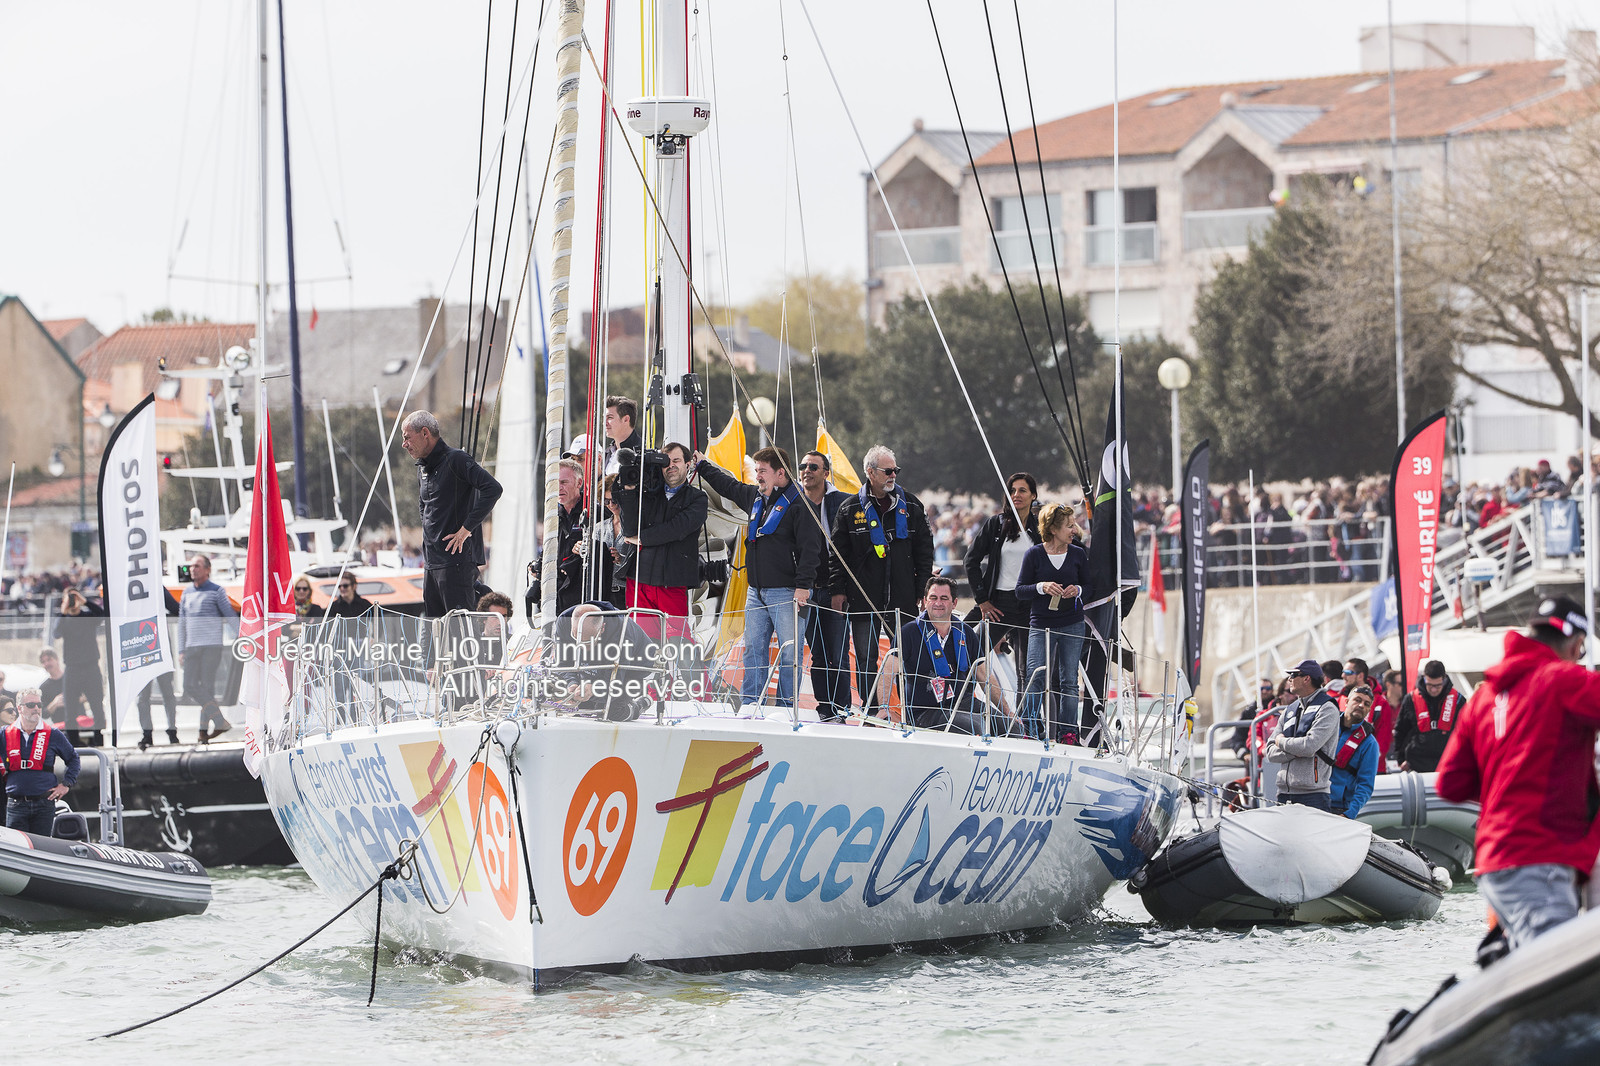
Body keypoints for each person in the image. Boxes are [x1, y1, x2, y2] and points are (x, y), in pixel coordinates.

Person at [1437, 597, 1600, 950]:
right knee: (1558, 980)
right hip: (1539, 862)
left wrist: (1512, 780)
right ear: (1576, 644)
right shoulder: (1564, 680)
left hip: (1496, 862)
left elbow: (1450, 784)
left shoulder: (1482, 699)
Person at [695, 445, 823, 708]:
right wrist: (702, 465)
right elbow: (727, 486)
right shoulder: (756, 497)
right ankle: (752, 703)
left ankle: (788, 708)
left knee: (790, 652)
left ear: (780, 473)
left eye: (762, 471)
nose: (758, 476)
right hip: (756, 591)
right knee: (754, 651)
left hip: (788, 591)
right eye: (756, 471)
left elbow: (811, 549)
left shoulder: (801, 505)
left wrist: (803, 586)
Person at [829, 446, 934, 710]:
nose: (893, 475)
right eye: (888, 471)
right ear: (870, 472)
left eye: (895, 470)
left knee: (906, 656)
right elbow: (837, 556)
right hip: (863, 597)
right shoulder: (849, 509)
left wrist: (922, 589)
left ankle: (911, 711)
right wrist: (837, 590)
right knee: (866, 657)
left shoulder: (911, 505)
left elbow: (924, 552)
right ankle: (871, 708)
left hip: (904, 597)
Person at [399, 410, 504, 618]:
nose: (404, 444)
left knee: (460, 633)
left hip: (455, 563)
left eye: (407, 437)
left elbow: (493, 488)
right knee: (432, 630)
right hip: (431, 563)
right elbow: (424, 506)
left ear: (425, 433)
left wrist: (466, 529)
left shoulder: (456, 459)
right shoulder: (422, 468)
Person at [879, 577, 999, 734]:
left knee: (1008, 726)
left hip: (962, 703)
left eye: (944, 598)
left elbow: (985, 675)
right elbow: (887, 671)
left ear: (954, 603)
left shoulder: (966, 633)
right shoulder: (908, 633)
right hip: (925, 711)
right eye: (933, 598)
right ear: (925, 601)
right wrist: (884, 707)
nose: (938, 603)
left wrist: (1009, 713)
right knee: (974, 725)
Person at [1014, 502, 1091, 743]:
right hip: (1040, 624)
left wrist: (1077, 590)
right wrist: (1042, 587)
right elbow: (1020, 590)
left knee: (1069, 681)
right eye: (1069, 525)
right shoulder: (1034, 554)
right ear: (1054, 528)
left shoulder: (1078, 553)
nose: (1074, 530)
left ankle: (1068, 733)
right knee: (1035, 675)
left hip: (1073, 623)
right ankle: (1031, 729)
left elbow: (1090, 587)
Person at [616, 442, 708, 642]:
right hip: (639, 578)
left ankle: (692, 676)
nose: (671, 466)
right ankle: (652, 675)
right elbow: (630, 528)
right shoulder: (647, 494)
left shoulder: (698, 498)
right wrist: (630, 488)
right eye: (666, 462)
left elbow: (678, 528)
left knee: (679, 641)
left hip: (672, 581)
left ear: (688, 464)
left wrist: (643, 539)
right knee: (643, 642)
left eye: (676, 460)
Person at [796, 450, 853, 720]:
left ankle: (842, 709)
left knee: (838, 654)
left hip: (834, 590)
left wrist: (842, 588)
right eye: (804, 466)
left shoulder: (842, 503)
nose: (807, 470)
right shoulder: (793, 502)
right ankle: (825, 709)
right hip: (806, 590)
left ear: (825, 473)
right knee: (818, 655)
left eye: (814, 467)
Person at [964, 472, 1042, 659]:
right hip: (998, 603)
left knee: (1028, 667)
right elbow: (970, 560)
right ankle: (957, 688)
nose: (1016, 494)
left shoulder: (1041, 527)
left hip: (1030, 606)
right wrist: (982, 600)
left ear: (1033, 496)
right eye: (1012, 490)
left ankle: (1025, 690)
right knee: (966, 652)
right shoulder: (995, 524)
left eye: (1022, 490)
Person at [1263, 659, 1340, 810]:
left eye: (1293, 674)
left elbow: (1309, 746)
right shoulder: (1289, 710)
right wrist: (1296, 750)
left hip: (1314, 796)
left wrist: (1282, 742)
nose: (1289, 679)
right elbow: (1270, 753)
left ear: (1307, 678)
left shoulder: (1327, 709)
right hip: (1284, 794)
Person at [1, 688, 80, 835]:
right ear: (20, 708)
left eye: (39, 705)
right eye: (31, 705)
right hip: (16, 804)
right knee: (17, 849)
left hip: (44, 804)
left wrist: (67, 784)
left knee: (42, 847)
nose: (36, 709)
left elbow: (73, 759)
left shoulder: (53, 734)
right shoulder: (5, 733)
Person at [179, 555, 238, 744]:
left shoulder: (216, 591)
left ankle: (202, 733)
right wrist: (181, 649)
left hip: (211, 646)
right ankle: (219, 722)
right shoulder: (186, 593)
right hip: (192, 647)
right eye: (191, 566)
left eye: (197, 566)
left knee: (206, 688)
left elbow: (229, 614)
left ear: (207, 569)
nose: (193, 569)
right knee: (189, 686)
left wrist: (243, 637)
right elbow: (182, 624)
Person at [528, 458, 586, 622]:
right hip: (554, 598)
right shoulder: (552, 516)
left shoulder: (594, 512)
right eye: (554, 482)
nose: (558, 487)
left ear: (579, 483)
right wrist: (537, 566)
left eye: (564, 482)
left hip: (582, 599)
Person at [51, 586, 107, 746]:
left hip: (91, 666)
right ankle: (73, 746)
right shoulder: (64, 620)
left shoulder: (87, 617)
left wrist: (85, 602)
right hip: (72, 668)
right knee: (70, 710)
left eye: (74, 598)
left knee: (97, 706)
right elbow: (56, 633)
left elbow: (101, 615)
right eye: (70, 598)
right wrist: (63, 610)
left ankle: (99, 743)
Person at [1392, 659, 1462, 773]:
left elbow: (1467, 733)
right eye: (1430, 685)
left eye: (1438, 685)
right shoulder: (1411, 700)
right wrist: (1400, 759)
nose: (1434, 690)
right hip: (1417, 764)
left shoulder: (1458, 700)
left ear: (1444, 680)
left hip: (1449, 763)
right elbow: (1400, 731)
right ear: (1424, 679)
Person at [136, 586, 183, 750]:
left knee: (165, 693)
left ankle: (170, 732)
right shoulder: (149, 586)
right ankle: (149, 734)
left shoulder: (156, 587)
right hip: (140, 650)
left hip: (158, 648)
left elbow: (177, 609)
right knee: (144, 696)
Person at [1328, 684, 1380, 818]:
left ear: (1369, 709)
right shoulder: (1325, 724)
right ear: (1346, 702)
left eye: (1366, 704)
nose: (1361, 705)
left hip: (1338, 808)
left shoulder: (1370, 743)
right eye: (1357, 700)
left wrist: (1349, 813)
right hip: (1313, 799)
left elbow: (1366, 785)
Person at [603, 395, 643, 476]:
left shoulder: (642, 454)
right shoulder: (606, 454)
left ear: (626, 419)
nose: (604, 423)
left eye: (610, 417)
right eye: (604, 418)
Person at [37, 646, 65, 724]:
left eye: (49, 659)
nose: (46, 664)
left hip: (79, 724)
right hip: (60, 727)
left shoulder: (71, 678)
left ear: (57, 659)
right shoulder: (43, 687)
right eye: (43, 662)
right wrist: (55, 703)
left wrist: (72, 699)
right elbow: (43, 714)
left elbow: (88, 695)